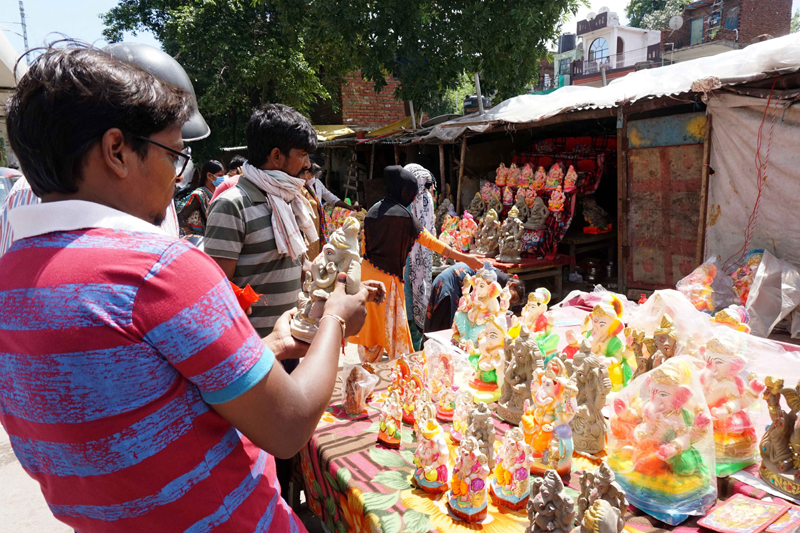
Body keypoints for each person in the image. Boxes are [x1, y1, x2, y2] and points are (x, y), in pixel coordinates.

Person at [0, 42, 375, 533]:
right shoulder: (159, 270)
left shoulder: (10, 278)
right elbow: (287, 425)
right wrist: (334, 320)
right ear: (117, 151)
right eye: (174, 155)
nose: (178, 179)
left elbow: (147, 392)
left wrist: (271, 345)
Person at [351, 165, 484, 362]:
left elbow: (364, 248)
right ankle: (400, 378)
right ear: (402, 191)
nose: (413, 198)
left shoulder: (372, 211)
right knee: (395, 335)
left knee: (371, 331)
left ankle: (368, 374)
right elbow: (433, 243)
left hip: (367, 278)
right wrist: (466, 259)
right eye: (411, 193)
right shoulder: (404, 217)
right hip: (388, 284)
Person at [424, 262, 525, 333]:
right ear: (511, 284)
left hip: (449, 280)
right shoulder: (496, 281)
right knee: (443, 325)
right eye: (512, 297)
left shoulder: (500, 281)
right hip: (451, 283)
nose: (509, 301)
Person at [403, 163, 436, 350]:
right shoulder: (427, 198)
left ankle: (410, 341)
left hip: (410, 255)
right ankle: (416, 340)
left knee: (409, 296)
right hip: (425, 254)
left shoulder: (410, 198)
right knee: (421, 291)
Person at [175, 159, 225, 236]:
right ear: (209, 176)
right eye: (220, 176)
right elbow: (181, 214)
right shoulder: (199, 194)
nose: (223, 178)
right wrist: (188, 233)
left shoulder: (219, 192)